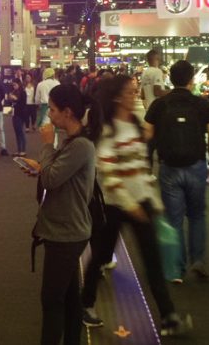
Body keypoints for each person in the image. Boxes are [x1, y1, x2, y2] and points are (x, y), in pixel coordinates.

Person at [80, 75, 190, 335]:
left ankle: (168, 316)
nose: (135, 95)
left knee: (152, 261)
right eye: (130, 92)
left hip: (141, 203)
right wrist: (130, 204)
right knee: (101, 256)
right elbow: (108, 173)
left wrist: (152, 199)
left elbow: (141, 168)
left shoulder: (135, 125)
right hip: (116, 206)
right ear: (118, 97)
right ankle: (85, 304)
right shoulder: (108, 130)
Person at [16, 84, 97, 345]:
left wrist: (46, 146)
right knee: (70, 298)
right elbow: (58, 174)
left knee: (52, 300)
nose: (49, 115)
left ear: (67, 112)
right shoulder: (73, 142)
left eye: (52, 110)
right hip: (65, 228)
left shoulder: (80, 145)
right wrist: (41, 167)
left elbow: (52, 179)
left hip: (66, 232)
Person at [144, 60, 209, 283]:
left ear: (170, 79)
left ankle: (177, 270)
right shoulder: (202, 104)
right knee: (197, 215)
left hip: (169, 167)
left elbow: (147, 136)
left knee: (173, 218)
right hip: (196, 166)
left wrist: (147, 163)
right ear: (191, 79)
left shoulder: (159, 104)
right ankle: (198, 260)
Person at [11, 79, 30, 157]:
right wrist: (11, 99)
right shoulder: (14, 92)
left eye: (15, 85)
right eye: (13, 85)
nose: (14, 86)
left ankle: (23, 150)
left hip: (20, 114)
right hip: (14, 113)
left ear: (19, 84)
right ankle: (19, 150)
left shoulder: (23, 92)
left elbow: (23, 103)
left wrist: (15, 99)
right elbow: (11, 102)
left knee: (20, 132)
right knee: (17, 132)